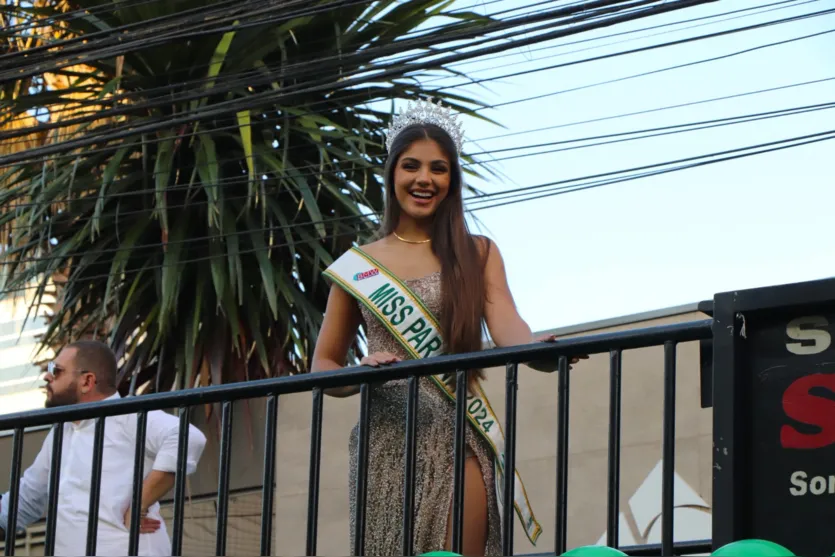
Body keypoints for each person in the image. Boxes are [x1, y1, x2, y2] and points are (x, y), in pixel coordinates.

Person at [312, 98, 585, 556]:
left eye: (438, 169)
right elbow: (322, 364)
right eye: (411, 166)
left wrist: (538, 352)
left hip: (458, 433)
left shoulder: (476, 252)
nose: (424, 179)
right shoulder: (358, 266)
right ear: (392, 175)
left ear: (451, 181)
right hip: (384, 442)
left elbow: (506, 324)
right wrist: (359, 375)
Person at [0, 340, 207, 556]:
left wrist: (139, 504)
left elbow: (188, 437)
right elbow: (27, 498)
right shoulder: (61, 433)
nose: (46, 376)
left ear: (87, 382)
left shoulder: (126, 415)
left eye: (56, 370)